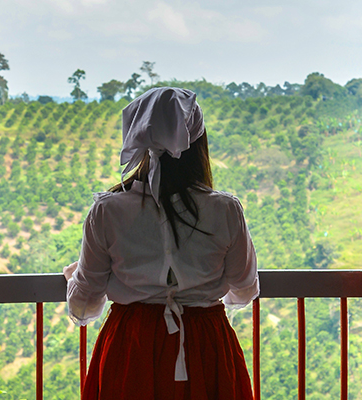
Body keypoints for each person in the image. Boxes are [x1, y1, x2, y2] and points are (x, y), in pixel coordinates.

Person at [63, 87, 259, 400]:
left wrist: (74, 277)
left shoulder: (108, 210)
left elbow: (83, 306)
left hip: (132, 345)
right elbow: (244, 288)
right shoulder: (224, 209)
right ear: (196, 143)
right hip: (206, 344)